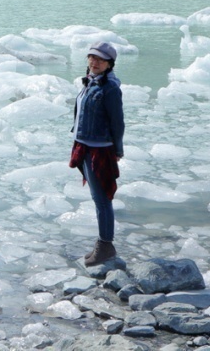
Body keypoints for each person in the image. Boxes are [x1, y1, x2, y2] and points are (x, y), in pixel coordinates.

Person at [69, 41, 124, 266]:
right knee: (96, 197)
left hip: (100, 149)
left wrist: (117, 149)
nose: (94, 62)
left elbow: (117, 122)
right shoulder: (89, 82)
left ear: (110, 64)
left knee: (102, 199)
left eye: (100, 59)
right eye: (92, 57)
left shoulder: (110, 88)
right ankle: (103, 244)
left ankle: (105, 246)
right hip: (83, 145)